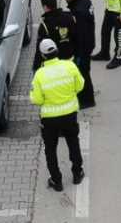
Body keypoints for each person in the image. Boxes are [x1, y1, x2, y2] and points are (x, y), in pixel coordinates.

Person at [30, 38, 85, 192]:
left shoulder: (39, 75)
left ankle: (56, 180)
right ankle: (77, 173)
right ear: (57, 51)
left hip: (50, 120)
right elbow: (80, 85)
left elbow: (37, 99)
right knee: (73, 142)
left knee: (50, 149)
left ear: (42, 56)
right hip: (70, 114)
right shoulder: (69, 66)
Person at [61, 0, 96, 108]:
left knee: (83, 73)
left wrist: (78, 54)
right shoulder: (86, 1)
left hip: (83, 47)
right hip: (90, 42)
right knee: (85, 71)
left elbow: (80, 34)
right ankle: (87, 95)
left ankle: (87, 101)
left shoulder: (78, 12)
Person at [31, 0, 76, 70]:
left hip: (55, 63)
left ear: (45, 7)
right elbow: (76, 36)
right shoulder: (69, 16)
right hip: (70, 59)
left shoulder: (45, 26)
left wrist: (36, 66)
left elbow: (40, 48)